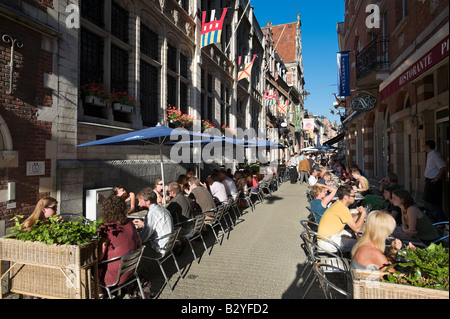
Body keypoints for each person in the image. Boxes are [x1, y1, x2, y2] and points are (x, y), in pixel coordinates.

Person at [98, 195, 142, 288]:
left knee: (88, 269)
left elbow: (100, 257)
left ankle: (100, 294)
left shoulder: (106, 228)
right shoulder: (129, 223)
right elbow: (139, 243)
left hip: (114, 276)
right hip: (130, 270)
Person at [317, 185, 367, 252]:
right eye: (353, 196)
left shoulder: (338, 204)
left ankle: (349, 255)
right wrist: (363, 214)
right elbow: (357, 229)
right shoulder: (342, 209)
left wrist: (359, 214)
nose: (355, 198)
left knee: (352, 233)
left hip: (326, 237)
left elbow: (350, 220)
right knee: (360, 244)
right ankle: (353, 261)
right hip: (327, 242)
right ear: (346, 197)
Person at [133, 188, 173, 254]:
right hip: (168, 243)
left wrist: (135, 237)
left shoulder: (152, 213)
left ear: (147, 202)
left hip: (160, 247)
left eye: (140, 202)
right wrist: (143, 224)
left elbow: (144, 237)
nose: (138, 204)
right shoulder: (162, 208)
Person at [423, 140, 447, 222]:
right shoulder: (430, 155)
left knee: (433, 203)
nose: (423, 147)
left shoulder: (435, 155)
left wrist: (437, 178)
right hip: (429, 181)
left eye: (424, 145)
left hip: (434, 182)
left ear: (427, 146)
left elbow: (442, 167)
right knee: (427, 202)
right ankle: (433, 221)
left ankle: (442, 222)